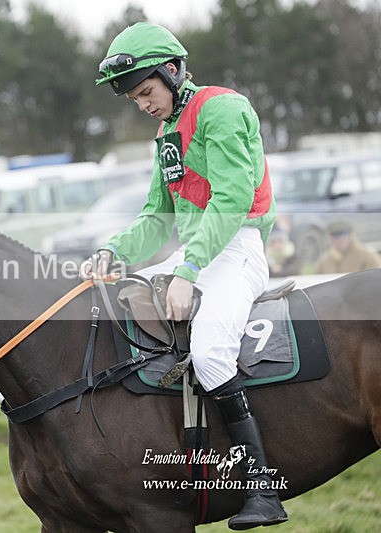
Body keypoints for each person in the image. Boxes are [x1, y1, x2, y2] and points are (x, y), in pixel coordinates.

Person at [82, 22, 287, 529]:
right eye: (135, 98)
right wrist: (113, 251)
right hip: (195, 254)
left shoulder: (223, 108)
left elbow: (232, 199)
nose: (143, 105)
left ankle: (262, 488)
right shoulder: (166, 133)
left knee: (212, 351)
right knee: (116, 302)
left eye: (146, 92)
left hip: (237, 247)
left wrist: (189, 270)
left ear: (173, 71)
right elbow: (158, 217)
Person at [314, 219, 381, 274]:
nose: (340, 239)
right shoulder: (325, 260)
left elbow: (376, 277)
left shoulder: (367, 255)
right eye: (335, 236)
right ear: (329, 238)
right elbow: (316, 279)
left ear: (351, 235)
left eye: (344, 234)